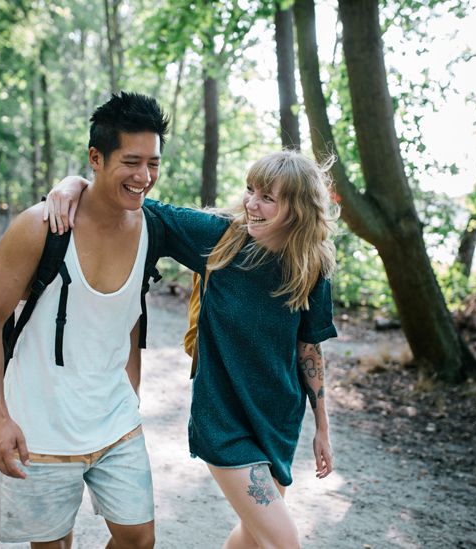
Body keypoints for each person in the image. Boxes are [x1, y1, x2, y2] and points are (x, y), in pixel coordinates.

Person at [47, 149, 338, 548]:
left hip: (278, 422)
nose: (251, 204)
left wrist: (322, 427)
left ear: (298, 209)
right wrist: (77, 184)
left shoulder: (312, 266)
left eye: (267, 198)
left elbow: (308, 349)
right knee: (283, 543)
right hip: (224, 422)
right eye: (251, 190)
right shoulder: (220, 238)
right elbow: (143, 207)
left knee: (254, 538)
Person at [0, 91, 169, 549]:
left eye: (153, 163)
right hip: (39, 426)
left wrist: (132, 391)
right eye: (132, 162)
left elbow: (129, 314)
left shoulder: (154, 228)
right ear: (96, 158)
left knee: (139, 540)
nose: (144, 177)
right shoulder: (39, 227)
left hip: (115, 420)